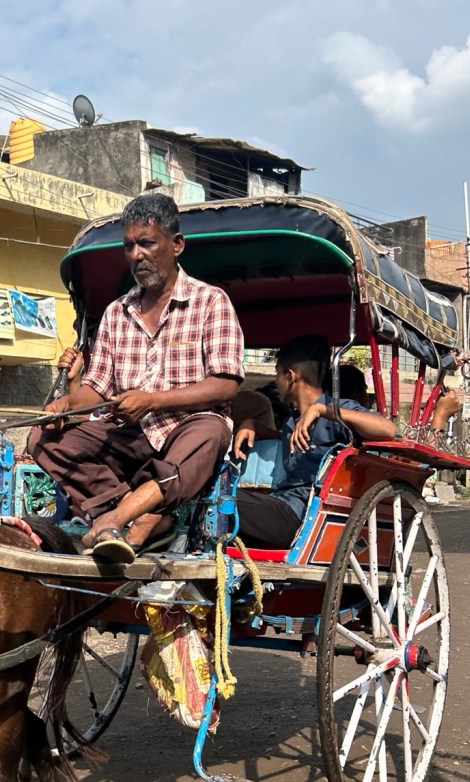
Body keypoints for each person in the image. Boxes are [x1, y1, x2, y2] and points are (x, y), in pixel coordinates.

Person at [28, 192, 244, 564]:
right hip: (130, 435)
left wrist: (153, 401)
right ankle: (142, 515)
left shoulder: (211, 301)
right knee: (42, 439)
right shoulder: (116, 312)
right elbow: (96, 389)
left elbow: (225, 385)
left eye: (147, 244)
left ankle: (116, 520)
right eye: (129, 246)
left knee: (209, 433)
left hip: (187, 428)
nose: (136, 255)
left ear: (176, 245)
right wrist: (65, 405)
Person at [235, 334, 396, 549]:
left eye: (277, 373)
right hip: (280, 502)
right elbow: (286, 439)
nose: (276, 381)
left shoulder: (337, 409)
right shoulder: (292, 420)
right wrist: (252, 424)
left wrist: (323, 410)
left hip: (300, 514)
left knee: (218, 499)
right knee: (216, 499)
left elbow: (388, 429)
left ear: (290, 376)